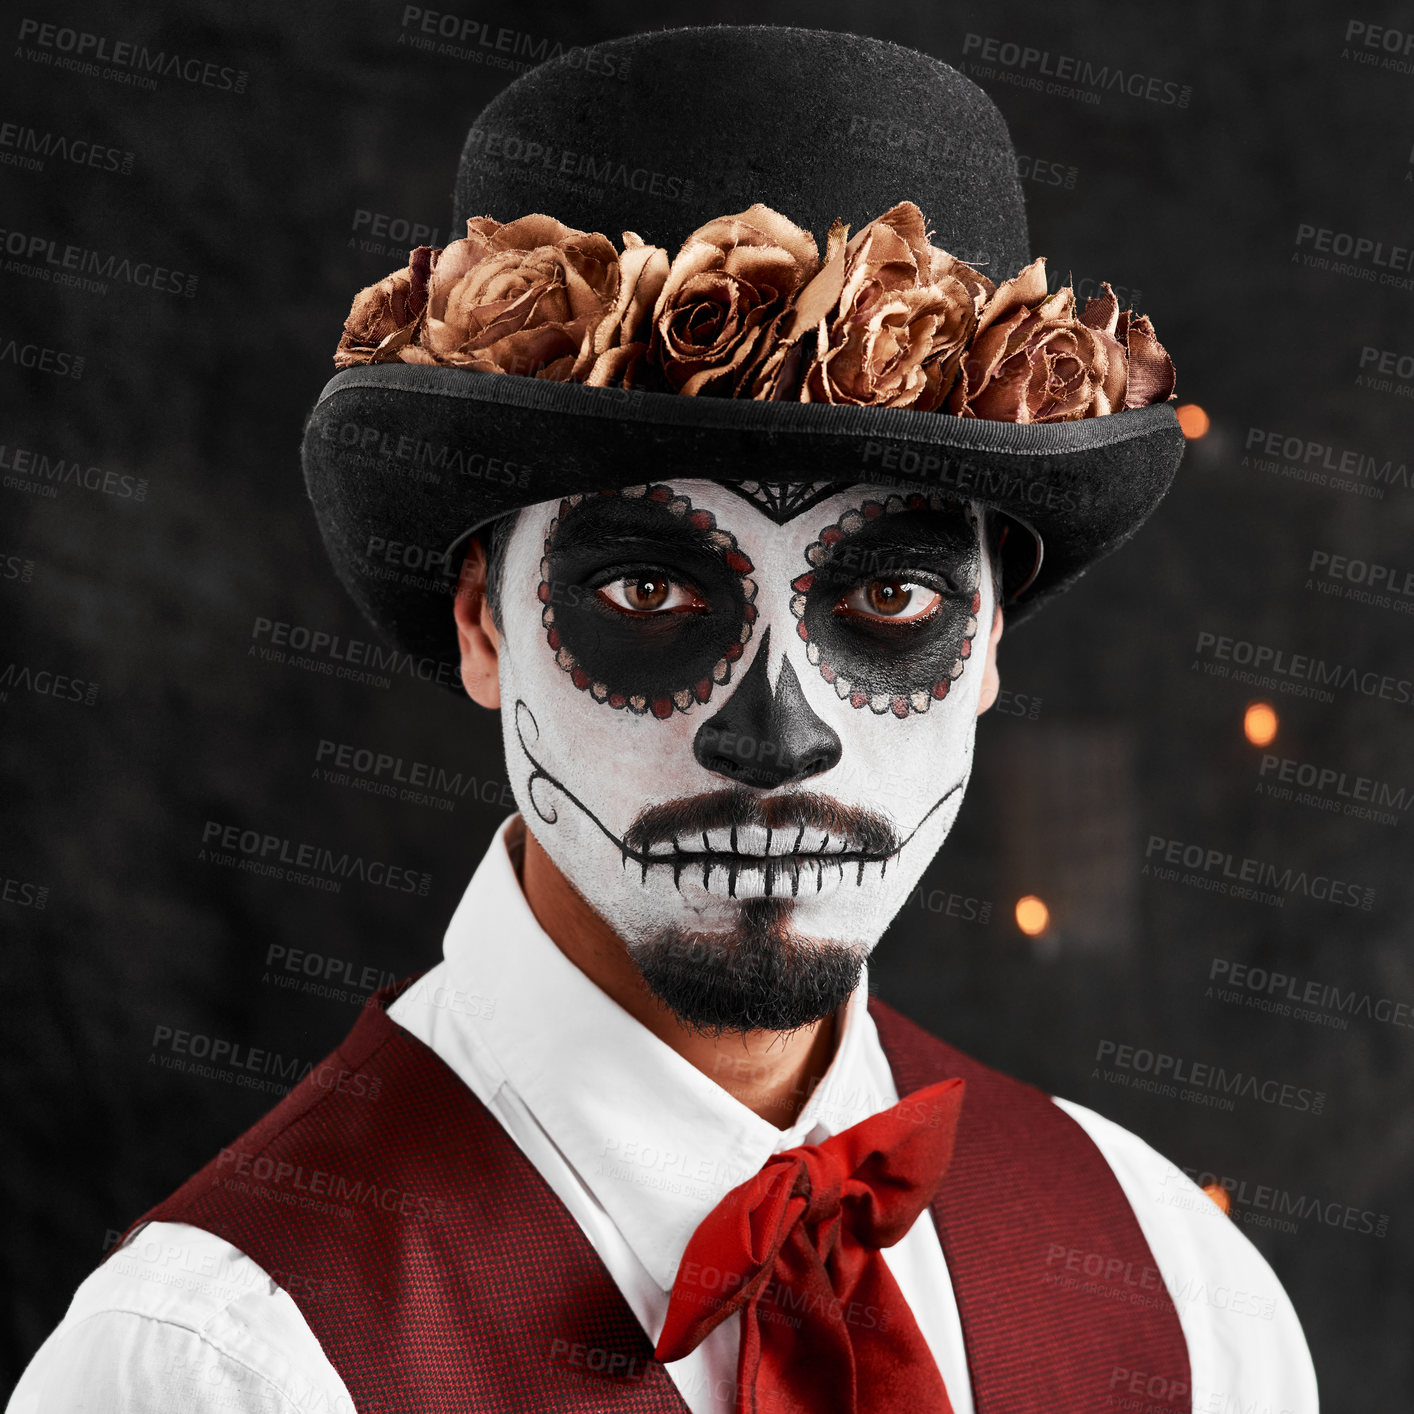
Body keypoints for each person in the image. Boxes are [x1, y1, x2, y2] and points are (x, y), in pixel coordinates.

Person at [10, 24, 1318, 1414]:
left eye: (884, 594)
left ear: (989, 636)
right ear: (483, 623)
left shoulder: (1181, 1307)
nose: (777, 734)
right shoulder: (220, 1369)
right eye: (648, 585)